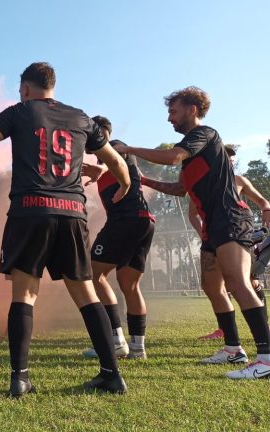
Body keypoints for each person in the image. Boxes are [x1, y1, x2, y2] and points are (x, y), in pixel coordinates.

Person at [0, 62, 131, 397]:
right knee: (86, 293)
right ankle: (112, 375)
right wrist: (123, 184)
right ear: (52, 86)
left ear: (25, 88)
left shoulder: (19, 112)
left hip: (30, 212)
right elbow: (117, 162)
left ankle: (20, 378)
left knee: (24, 295)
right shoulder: (82, 118)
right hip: (71, 214)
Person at [114, 86, 270, 379]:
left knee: (238, 284)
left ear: (192, 110)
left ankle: (267, 357)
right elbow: (179, 188)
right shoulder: (189, 157)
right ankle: (233, 349)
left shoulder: (205, 135)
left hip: (231, 219)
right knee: (212, 287)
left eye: (173, 111)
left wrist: (130, 149)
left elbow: (172, 157)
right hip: (213, 225)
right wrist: (143, 179)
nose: (169, 118)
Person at [80, 116, 155, 360]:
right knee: (129, 285)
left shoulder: (118, 147)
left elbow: (117, 160)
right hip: (144, 221)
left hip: (126, 220)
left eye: (90, 132)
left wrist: (101, 169)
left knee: (94, 272)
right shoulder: (110, 158)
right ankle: (137, 348)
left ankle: (116, 341)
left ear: (101, 131)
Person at [193, 145, 270, 340]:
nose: (230, 162)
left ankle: (264, 333)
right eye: (226, 158)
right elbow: (192, 214)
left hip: (238, 235)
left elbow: (263, 202)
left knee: (248, 281)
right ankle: (227, 335)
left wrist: (266, 211)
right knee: (214, 286)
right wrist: (204, 234)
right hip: (213, 238)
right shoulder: (200, 184)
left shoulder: (239, 181)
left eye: (232, 159)